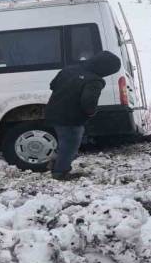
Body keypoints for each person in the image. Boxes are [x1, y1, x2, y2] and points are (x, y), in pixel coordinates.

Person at [45, 50, 122, 180]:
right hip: (71, 118)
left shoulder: (68, 69)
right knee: (70, 144)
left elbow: (52, 85)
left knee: (64, 141)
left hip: (53, 111)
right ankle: (60, 172)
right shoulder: (95, 80)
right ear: (105, 68)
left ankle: (55, 163)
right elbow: (88, 101)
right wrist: (91, 113)